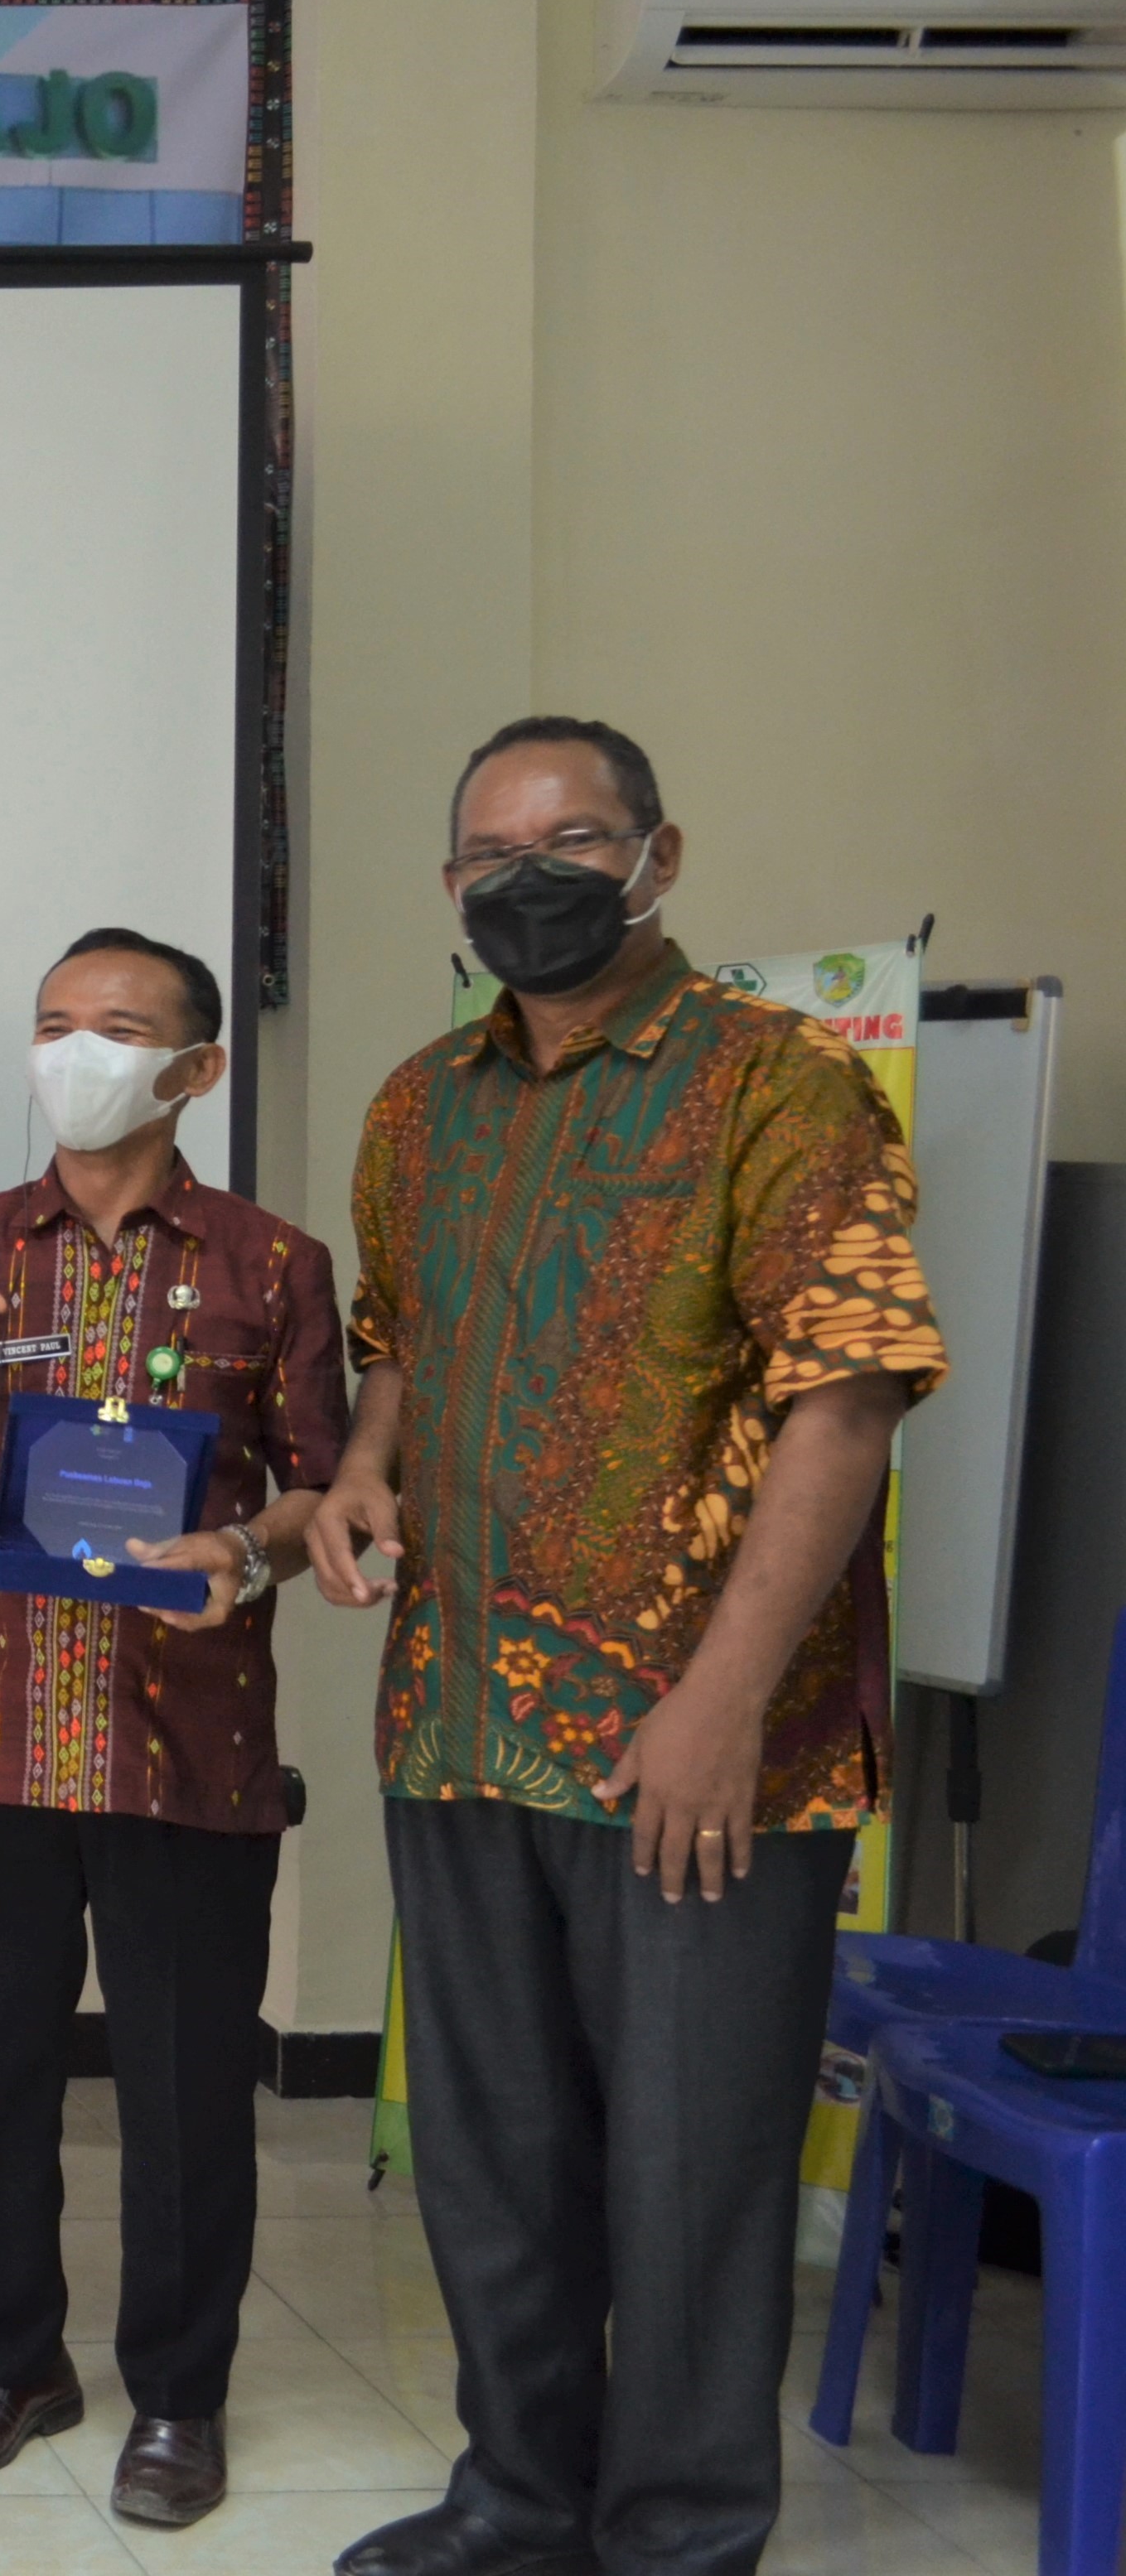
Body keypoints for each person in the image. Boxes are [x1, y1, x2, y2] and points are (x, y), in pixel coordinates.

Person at [311, 718, 941, 2576]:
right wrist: (361, 1469)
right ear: (450, 887)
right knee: (494, 2162)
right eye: (491, 855)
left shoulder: (780, 1084)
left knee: (689, 2177)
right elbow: (397, 1340)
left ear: (657, 858)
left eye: (573, 840)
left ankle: (676, 2537)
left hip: (695, 1747)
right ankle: (518, 2501)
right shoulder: (417, 1107)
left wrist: (721, 1703)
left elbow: (846, 1397)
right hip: (457, 1724)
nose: (531, 879)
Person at [0, 927, 346, 2529]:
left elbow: (326, 1485)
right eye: (51, 1024)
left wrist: (245, 1550)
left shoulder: (273, 1265)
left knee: (184, 2101)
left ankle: (178, 2399)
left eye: (115, 1027)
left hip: (189, 1750)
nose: (74, 1054)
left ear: (197, 1069)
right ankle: (9, 2366)